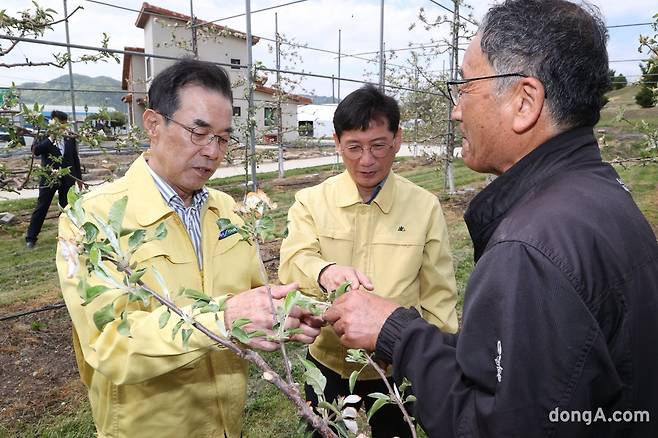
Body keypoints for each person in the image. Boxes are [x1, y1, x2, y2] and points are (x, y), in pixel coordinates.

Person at [324, 1, 658, 437]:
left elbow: (499, 424)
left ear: (525, 101)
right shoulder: (602, 197)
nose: (456, 110)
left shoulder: (530, 250)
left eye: (465, 86)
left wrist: (397, 334)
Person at [55, 59, 321, 438]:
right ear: (153, 124)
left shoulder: (227, 211)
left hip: (228, 425)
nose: (213, 152)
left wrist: (284, 315)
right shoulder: (92, 220)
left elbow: (246, 298)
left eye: (223, 137)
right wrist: (220, 322)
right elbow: (110, 343)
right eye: (199, 133)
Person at [279, 85, 458, 437]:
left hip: (393, 367)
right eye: (354, 148)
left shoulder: (423, 207)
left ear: (397, 140)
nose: (366, 160)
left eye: (378, 145)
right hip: (328, 361)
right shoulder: (311, 202)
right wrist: (325, 271)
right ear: (336, 142)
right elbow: (293, 260)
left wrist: (440, 362)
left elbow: (439, 294)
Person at [26, 110, 83, 248]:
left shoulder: (69, 136)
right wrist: (51, 138)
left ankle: (65, 235)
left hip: (67, 178)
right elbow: (35, 150)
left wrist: (79, 178)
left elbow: (74, 158)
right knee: (42, 206)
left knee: (67, 207)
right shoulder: (44, 135)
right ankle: (31, 238)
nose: (63, 125)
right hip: (49, 178)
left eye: (64, 122)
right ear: (53, 122)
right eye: (60, 122)